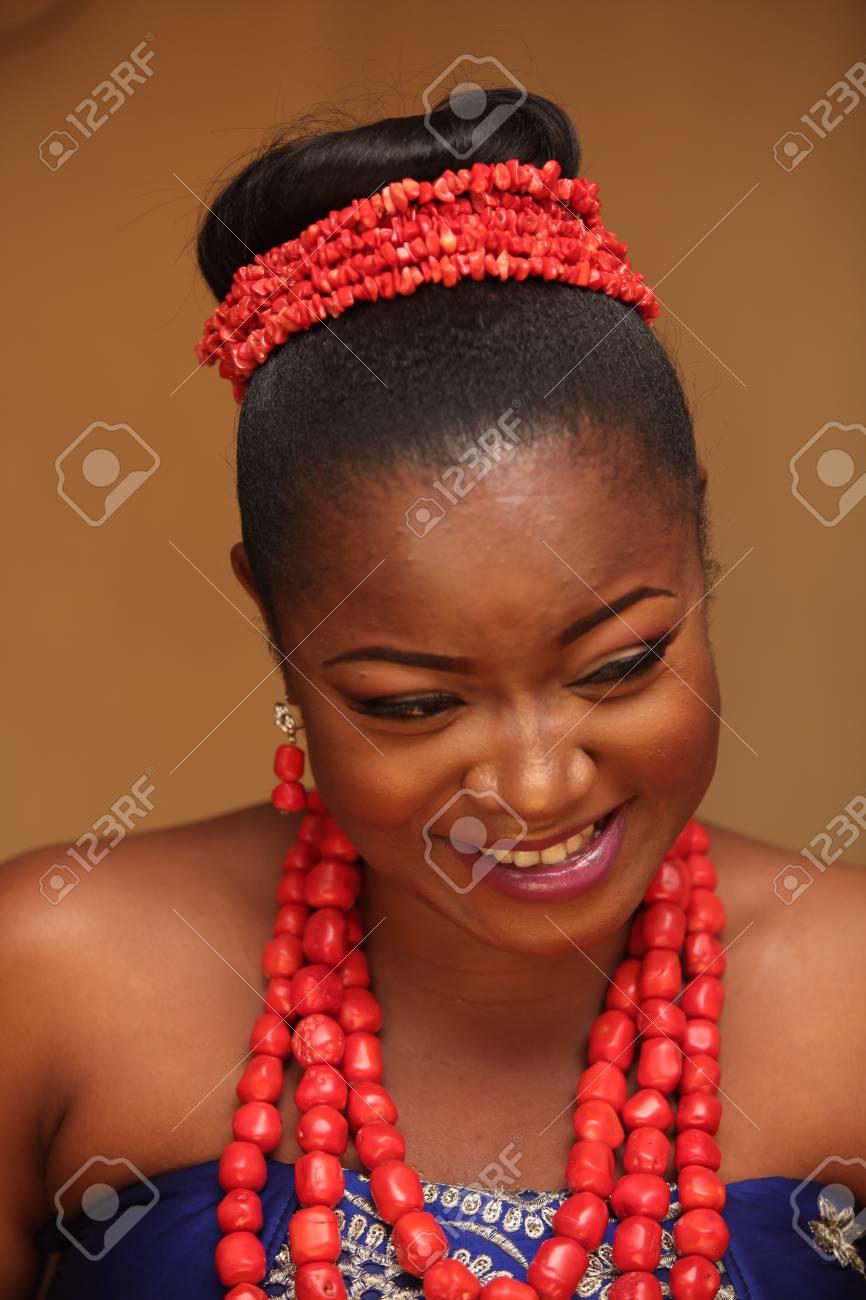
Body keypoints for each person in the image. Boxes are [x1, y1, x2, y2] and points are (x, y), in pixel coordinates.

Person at [3, 88, 864, 1300]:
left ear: (699, 544)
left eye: (618, 666)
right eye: (413, 704)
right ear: (273, 618)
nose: (534, 783)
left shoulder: (850, 990)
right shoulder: (55, 969)